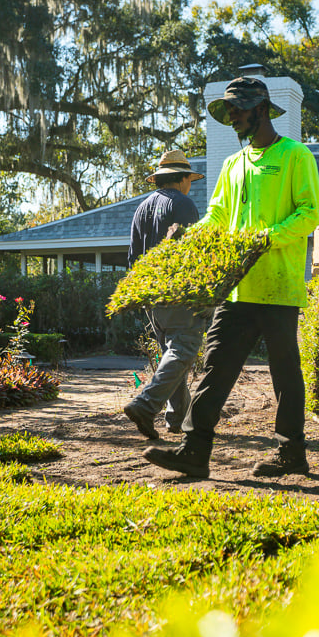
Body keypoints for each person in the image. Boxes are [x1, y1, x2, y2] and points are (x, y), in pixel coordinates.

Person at [142, 76, 319, 478]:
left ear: (261, 108)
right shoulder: (233, 164)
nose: (233, 117)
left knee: (285, 372)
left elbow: (309, 213)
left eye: (238, 110)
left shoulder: (295, 155)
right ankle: (194, 451)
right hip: (237, 287)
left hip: (278, 284)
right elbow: (219, 215)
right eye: (229, 111)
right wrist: (190, 236)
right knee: (216, 366)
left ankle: (291, 452)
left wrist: (267, 238)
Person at [123, 150, 206, 439]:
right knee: (183, 348)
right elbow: (191, 252)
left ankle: (178, 419)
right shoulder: (183, 204)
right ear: (182, 179)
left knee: (172, 355)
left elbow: (132, 256)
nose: (190, 185)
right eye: (189, 180)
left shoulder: (142, 207)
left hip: (150, 294)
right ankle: (146, 405)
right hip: (176, 291)